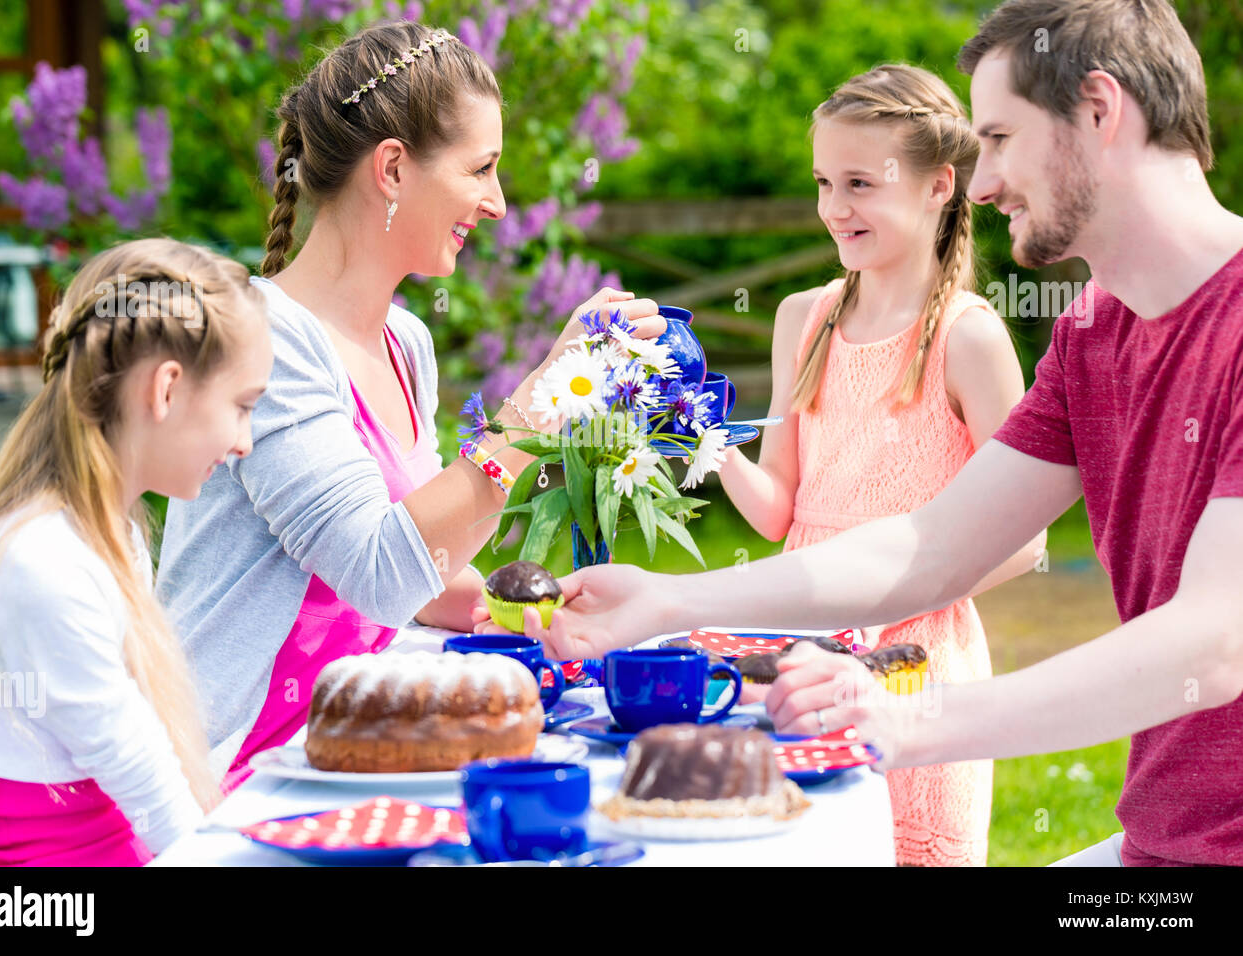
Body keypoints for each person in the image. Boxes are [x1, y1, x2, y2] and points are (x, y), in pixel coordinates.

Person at [479, 0, 1243, 867]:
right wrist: (672, 602)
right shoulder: (1093, 337)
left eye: (998, 138)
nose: (983, 183)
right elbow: (928, 547)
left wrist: (906, 720)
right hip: (1167, 851)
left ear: (1101, 113)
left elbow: (1216, 643)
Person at [155, 21, 661, 791]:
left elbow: (423, 567)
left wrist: (539, 609)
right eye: (482, 169)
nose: (497, 203)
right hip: (228, 769)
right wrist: (548, 399)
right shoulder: (265, 341)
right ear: (391, 168)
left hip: (351, 746)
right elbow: (382, 574)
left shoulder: (405, 340)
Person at [714, 64, 1041, 865]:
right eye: (825, 181)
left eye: (860, 183)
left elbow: (1024, 544)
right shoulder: (803, 318)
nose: (834, 208)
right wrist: (706, 439)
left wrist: (877, 615)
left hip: (916, 669)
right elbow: (780, 513)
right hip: (798, 650)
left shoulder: (968, 338)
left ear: (938, 186)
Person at [0, 238, 272, 864]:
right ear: (167, 388)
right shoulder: (43, 564)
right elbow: (145, 782)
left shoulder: (105, 535)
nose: (244, 441)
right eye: (242, 406)